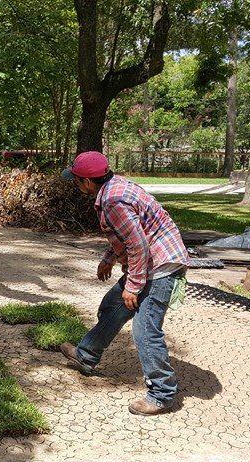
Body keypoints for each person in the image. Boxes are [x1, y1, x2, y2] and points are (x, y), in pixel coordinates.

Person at [59, 151, 190, 416]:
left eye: (76, 180)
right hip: (152, 262)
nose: (75, 185)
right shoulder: (114, 186)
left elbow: (138, 244)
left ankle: (162, 393)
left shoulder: (112, 200)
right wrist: (109, 257)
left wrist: (133, 285)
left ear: (86, 182)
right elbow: (127, 233)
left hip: (161, 267)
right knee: (112, 307)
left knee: (145, 331)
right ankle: (86, 355)